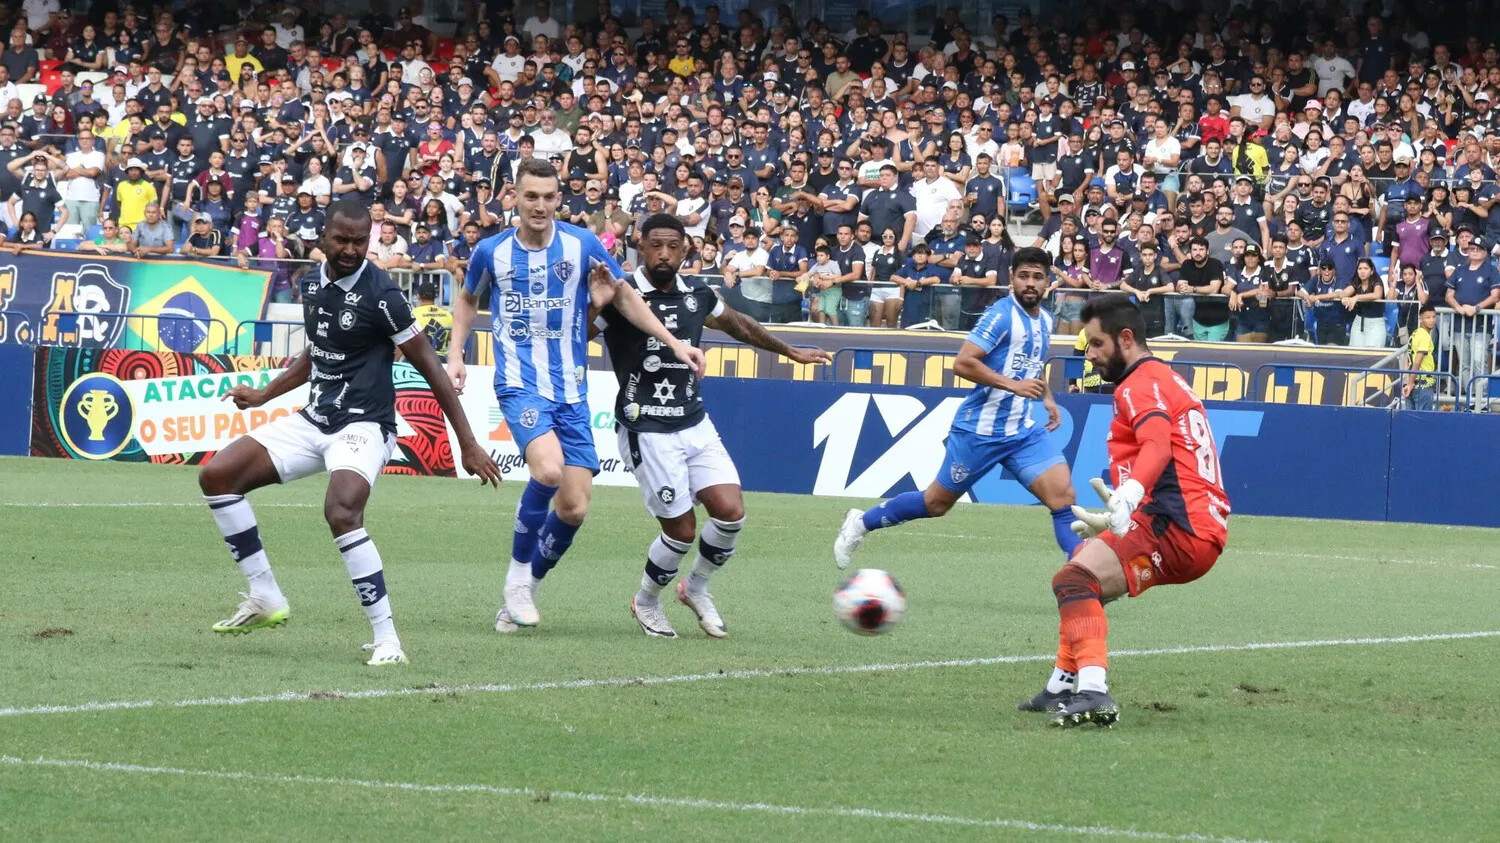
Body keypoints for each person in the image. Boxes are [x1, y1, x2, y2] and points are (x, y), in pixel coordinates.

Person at [196, 200, 501, 665]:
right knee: (217, 476)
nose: (351, 249)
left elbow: (432, 370)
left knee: (341, 510)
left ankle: (388, 640)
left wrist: (469, 443)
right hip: (314, 418)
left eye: (360, 241)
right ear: (324, 236)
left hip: (364, 424)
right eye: (342, 239)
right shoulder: (312, 282)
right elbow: (317, 353)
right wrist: (265, 395)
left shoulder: (383, 295)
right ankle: (265, 598)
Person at [446, 158, 706, 632]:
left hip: (572, 389)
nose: (540, 206)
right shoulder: (491, 251)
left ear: (558, 199)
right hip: (520, 383)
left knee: (574, 507)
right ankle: (517, 579)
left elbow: (625, 295)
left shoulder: (581, 244)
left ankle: (526, 590)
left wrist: (674, 342)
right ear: (515, 198)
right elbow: (467, 299)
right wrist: (456, 354)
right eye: (531, 197)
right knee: (546, 469)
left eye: (548, 197)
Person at [594, 214, 830, 637]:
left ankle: (695, 587)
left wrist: (790, 351)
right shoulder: (619, 295)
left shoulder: (698, 294)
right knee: (681, 531)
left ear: (687, 249)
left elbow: (738, 324)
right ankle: (646, 602)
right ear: (640, 247)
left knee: (731, 513)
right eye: (655, 246)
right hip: (644, 426)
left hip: (694, 422)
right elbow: (576, 336)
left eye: (673, 246)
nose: (664, 254)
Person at [1023, 293, 1230, 726]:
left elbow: (1156, 445)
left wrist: (1130, 496)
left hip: (1177, 525)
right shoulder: (1165, 378)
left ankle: (1094, 690)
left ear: (1127, 339)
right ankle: (1061, 686)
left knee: (1073, 579)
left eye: (1097, 344)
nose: (1091, 355)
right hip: (1191, 522)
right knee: (1081, 568)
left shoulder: (1139, 383)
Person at [835, 247, 1080, 567]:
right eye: (1023, 276)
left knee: (1064, 499)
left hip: (1021, 431)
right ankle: (861, 522)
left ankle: (1081, 572)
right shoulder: (1000, 315)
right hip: (978, 430)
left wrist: (1047, 397)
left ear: (1048, 281)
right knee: (936, 503)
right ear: (1012, 279)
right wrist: (1014, 386)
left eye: (1037, 277)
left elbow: (1032, 364)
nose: (1030, 283)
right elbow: (962, 363)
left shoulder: (1045, 320)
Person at [1404, 304, 1437, 411]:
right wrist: (1410, 383)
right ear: (1421, 318)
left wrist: (1408, 381)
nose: (1431, 320)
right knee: (1423, 421)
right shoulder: (1425, 336)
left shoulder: (1414, 333)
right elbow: (1417, 362)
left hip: (1412, 382)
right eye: (1427, 317)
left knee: (1410, 420)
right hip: (1423, 383)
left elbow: (1407, 358)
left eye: (1433, 317)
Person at [411, 278, 453, 359]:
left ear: (418, 296)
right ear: (434, 297)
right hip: (439, 360)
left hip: (419, 358)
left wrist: (396, 361)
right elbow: (451, 337)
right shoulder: (447, 315)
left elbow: (405, 337)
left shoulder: (413, 313)